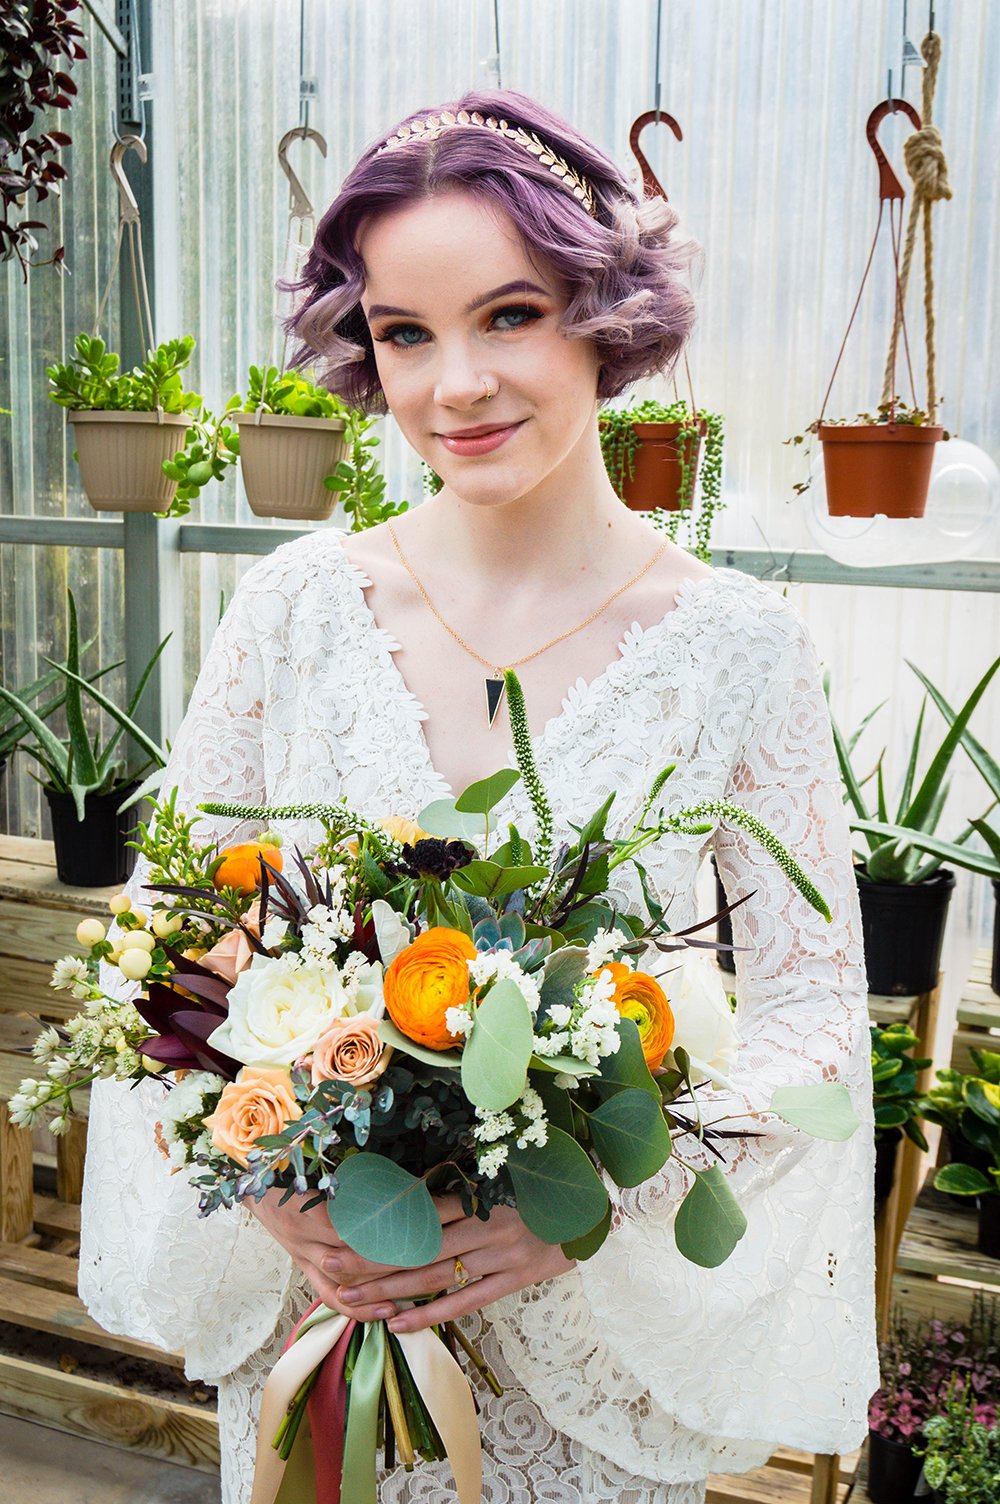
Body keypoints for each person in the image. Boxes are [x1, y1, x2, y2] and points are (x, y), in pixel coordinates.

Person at [78, 88, 878, 1504]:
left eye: (511, 315)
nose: (455, 386)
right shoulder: (295, 611)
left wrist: (587, 1209)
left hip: (590, 1370)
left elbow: (814, 1007)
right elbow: (166, 949)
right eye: (405, 333)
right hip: (324, 1339)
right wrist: (269, 1187)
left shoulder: (739, 643)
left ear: (608, 313)